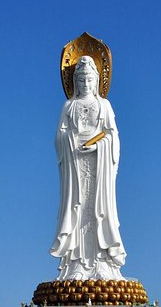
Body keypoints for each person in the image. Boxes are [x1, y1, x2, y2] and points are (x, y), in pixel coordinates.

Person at [50, 56, 126, 280]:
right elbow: (59, 136)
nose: (85, 85)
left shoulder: (104, 105)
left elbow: (113, 137)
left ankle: (102, 263)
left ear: (96, 82)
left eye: (89, 80)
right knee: (77, 208)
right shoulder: (69, 106)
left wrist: (98, 146)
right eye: (81, 81)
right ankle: (76, 266)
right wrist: (71, 141)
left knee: (98, 210)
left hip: (98, 164)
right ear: (74, 83)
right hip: (75, 164)